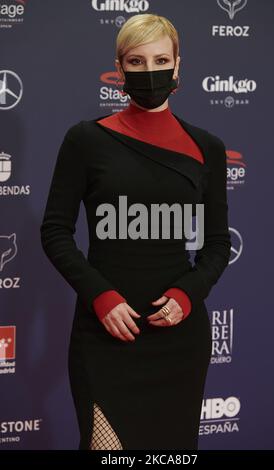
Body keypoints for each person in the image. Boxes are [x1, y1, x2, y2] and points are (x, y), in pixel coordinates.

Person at [40, 13, 231, 450]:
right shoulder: (86, 140)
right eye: (137, 61)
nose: (151, 72)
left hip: (179, 339)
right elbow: (55, 231)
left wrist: (187, 295)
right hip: (106, 334)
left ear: (178, 65)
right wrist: (101, 297)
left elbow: (218, 244)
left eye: (161, 59)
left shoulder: (207, 148)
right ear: (120, 68)